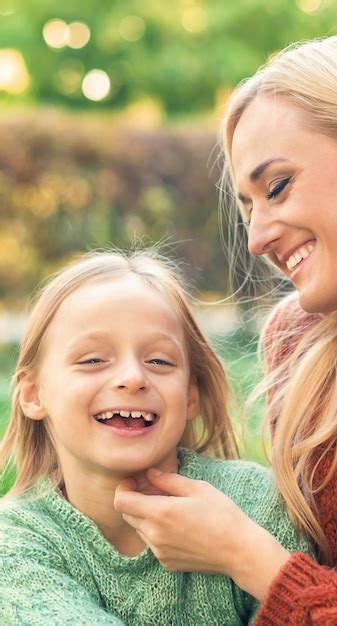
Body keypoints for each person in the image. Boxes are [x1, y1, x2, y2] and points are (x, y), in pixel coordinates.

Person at [113, 35, 337, 624]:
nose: (257, 240)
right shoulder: (295, 346)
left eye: (277, 186)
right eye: (248, 209)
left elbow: (276, 571)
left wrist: (249, 558)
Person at [0, 248, 312, 626]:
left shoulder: (258, 506)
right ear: (34, 395)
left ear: (190, 396)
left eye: (160, 361)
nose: (133, 377)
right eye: (93, 360)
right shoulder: (14, 545)